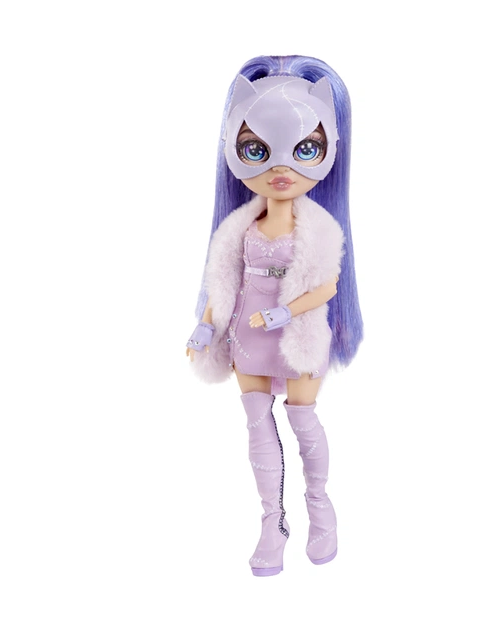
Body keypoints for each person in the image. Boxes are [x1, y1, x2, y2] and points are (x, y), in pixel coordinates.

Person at [186, 55, 363, 576]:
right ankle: (272, 522)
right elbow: (222, 282)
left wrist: (285, 312)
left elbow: (327, 287)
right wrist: (204, 327)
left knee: (303, 416)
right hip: (247, 333)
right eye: (256, 150)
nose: (280, 169)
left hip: (299, 331)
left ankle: (320, 508)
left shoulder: (321, 228)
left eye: (306, 149)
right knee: (257, 421)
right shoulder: (237, 228)